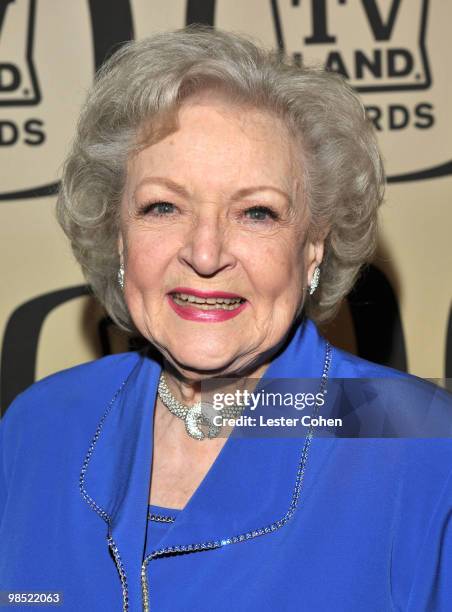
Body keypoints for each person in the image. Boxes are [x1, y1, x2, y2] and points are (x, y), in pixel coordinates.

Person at [0, 25, 451, 612]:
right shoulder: (41, 425)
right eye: (163, 206)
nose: (206, 254)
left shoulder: (420, 444)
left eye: (257, 213)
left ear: (314, 246)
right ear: (117, 235)